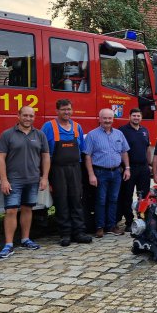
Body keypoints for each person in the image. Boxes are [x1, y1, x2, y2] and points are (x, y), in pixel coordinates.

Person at [0, 106, 50, 259]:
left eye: (31, 116)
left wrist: (44, 177)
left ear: (34, 117)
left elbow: (46, 157)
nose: (28, 118)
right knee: (11, 211)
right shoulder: (7, 135)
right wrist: (4, 179)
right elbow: (0, 158)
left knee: (27, 209)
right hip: (14, 181)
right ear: (18, 116)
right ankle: (9, 245)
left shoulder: (40, 135)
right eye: (25, 115)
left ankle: (25, 239)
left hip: (33, 180)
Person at [41, 99, 91, 247]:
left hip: (75, 169)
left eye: (69, 109)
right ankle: (65, 234)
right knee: (61, 201)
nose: (66, 112)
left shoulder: (77, 127)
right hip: (57, 170)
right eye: (63, 109)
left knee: (76, 200)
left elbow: (82, 150)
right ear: (57, 111)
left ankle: (79, 232)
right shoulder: (49, 127)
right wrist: (46, 176)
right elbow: (44, 153)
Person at [84, 108, 130, 238]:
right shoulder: (92, 135)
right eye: (105, 118)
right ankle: (99, 227)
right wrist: (91, 174)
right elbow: (87, 156)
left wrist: (127, 168)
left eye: (110, 118)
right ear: (99, 119)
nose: (107, 121)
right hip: (100, 172)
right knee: (101, 200)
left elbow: (124, 152)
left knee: (114, 200)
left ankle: (111, 226)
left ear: (113, 119)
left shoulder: (119, 134)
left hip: (116, 172)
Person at [117, 108, 152, 231]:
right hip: (129, 168)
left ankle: (142, 218)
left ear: (141, 118)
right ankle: (129, 221)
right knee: (126, 195)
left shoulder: (145, 130)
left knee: (144, 195)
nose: (136, 118)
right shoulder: (122, 130)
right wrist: (124, 167)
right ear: (129, 117)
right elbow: (121, 150)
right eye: (134, 116)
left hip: (143, 168)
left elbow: (148, 148)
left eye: (138, 116)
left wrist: (149, 164)